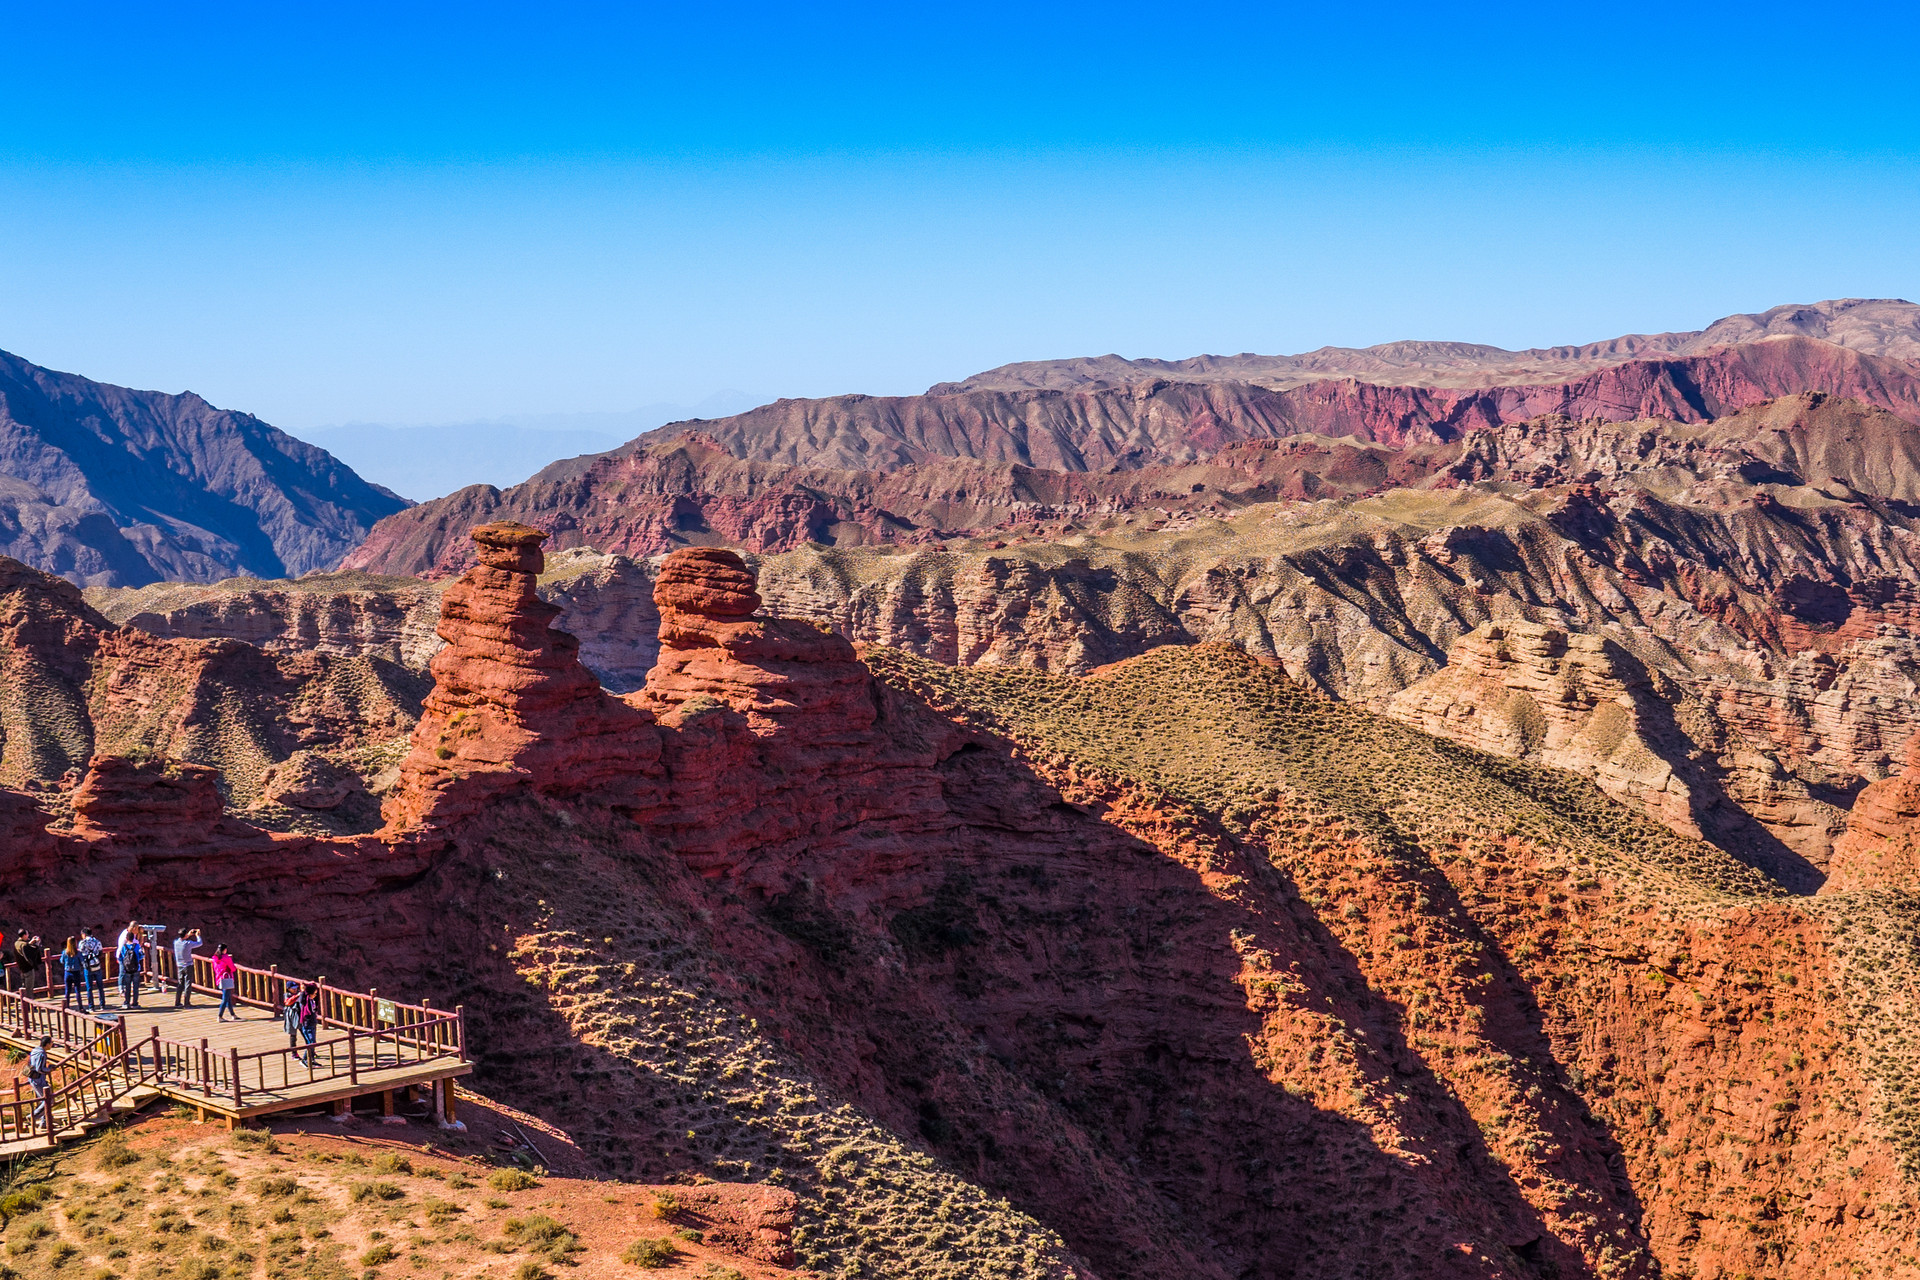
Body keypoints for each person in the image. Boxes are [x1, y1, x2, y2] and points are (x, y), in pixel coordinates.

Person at [172, 929, 204, 1008]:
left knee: (180, 984)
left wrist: (188, 935)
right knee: (187, 984)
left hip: (179, 966)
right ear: (185, 935)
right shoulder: (188, 944)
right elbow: (200, 943)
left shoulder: (176, 943)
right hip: (188, 966)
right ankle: (187, 1003)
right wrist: (197, 936)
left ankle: (177, 1002)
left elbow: (181, 938)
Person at [115, 924, 143, 1009]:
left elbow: (120, 956)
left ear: (127, 938)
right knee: (135, 986)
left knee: (127, 986)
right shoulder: (137, 946)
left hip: (127, 969)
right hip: (136, 968)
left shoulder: (124, 947)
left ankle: (126, 1002)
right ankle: (135, 1003)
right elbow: (142, 955)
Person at [26, 1036, 51, 1133]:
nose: (52, 1045)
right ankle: (33, 1116)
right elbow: (40, 1069)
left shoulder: (34, 1050)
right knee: (49, 1100)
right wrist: (49, 1069)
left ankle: (44, 1122)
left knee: (44, 1100)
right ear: (47, 1044)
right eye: (51, 1043)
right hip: (39, 1080)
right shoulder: (42, 1054)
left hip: (32, 1078)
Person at [78, 928, 105, 1012]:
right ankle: (102, 1005)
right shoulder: (97, 942)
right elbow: (100, 952)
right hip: (97, 966)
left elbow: (80, 954)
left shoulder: (82, 943)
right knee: (100, 986)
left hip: (88, 967)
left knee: (89, 987)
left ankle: (91, 1006)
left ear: (84, 934)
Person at [58, 939, 87, 1012]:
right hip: (76, 972)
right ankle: (80, 1007)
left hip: (67, 972)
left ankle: (66, 1007)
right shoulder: (78, 952)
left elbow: (61, 961)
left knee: (67, 990)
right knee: (77, 990)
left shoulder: (65, 952)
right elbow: (82, 961)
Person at [212, 946, 239, 1021]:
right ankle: (219, 1016)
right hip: (226, 979)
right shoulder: (226, 958)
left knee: (228, 997)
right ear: (225, 950)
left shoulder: (215, 959)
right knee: (225, 998)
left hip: (219, 979)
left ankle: (233, 1014)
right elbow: (233, 968)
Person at [15, 933, 44, 999]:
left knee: (24, 987)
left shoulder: (17, 943)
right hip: (28, 969)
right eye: (27, 934)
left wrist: (31, 942)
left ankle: (24, 1003)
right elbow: (31, 953)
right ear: (24, 935)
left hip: (22, 969)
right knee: (29, 988)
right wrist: (37, 944)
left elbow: (25, 948)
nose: (28, 935)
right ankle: (29, 1005)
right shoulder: (24, 945)